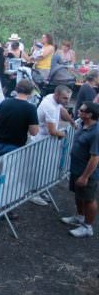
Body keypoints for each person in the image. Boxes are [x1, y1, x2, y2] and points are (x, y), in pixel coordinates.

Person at [61, 102, 99, 238]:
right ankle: (80, 217)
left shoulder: (96, 133)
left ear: (89, 114)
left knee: (89, 199)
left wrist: (85, 176)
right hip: (76, 169)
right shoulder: (83, 125)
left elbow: (95, 158)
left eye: (81, 110)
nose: (78, 112)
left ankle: (87, 227)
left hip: (87, 173)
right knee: (78, 195)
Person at [0, 79, 39, 156]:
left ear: (16, 89)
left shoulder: (4, 102)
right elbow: (34, 132)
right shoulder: (31, 108)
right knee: (11, 168)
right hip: (16, 145)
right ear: (31, 92)